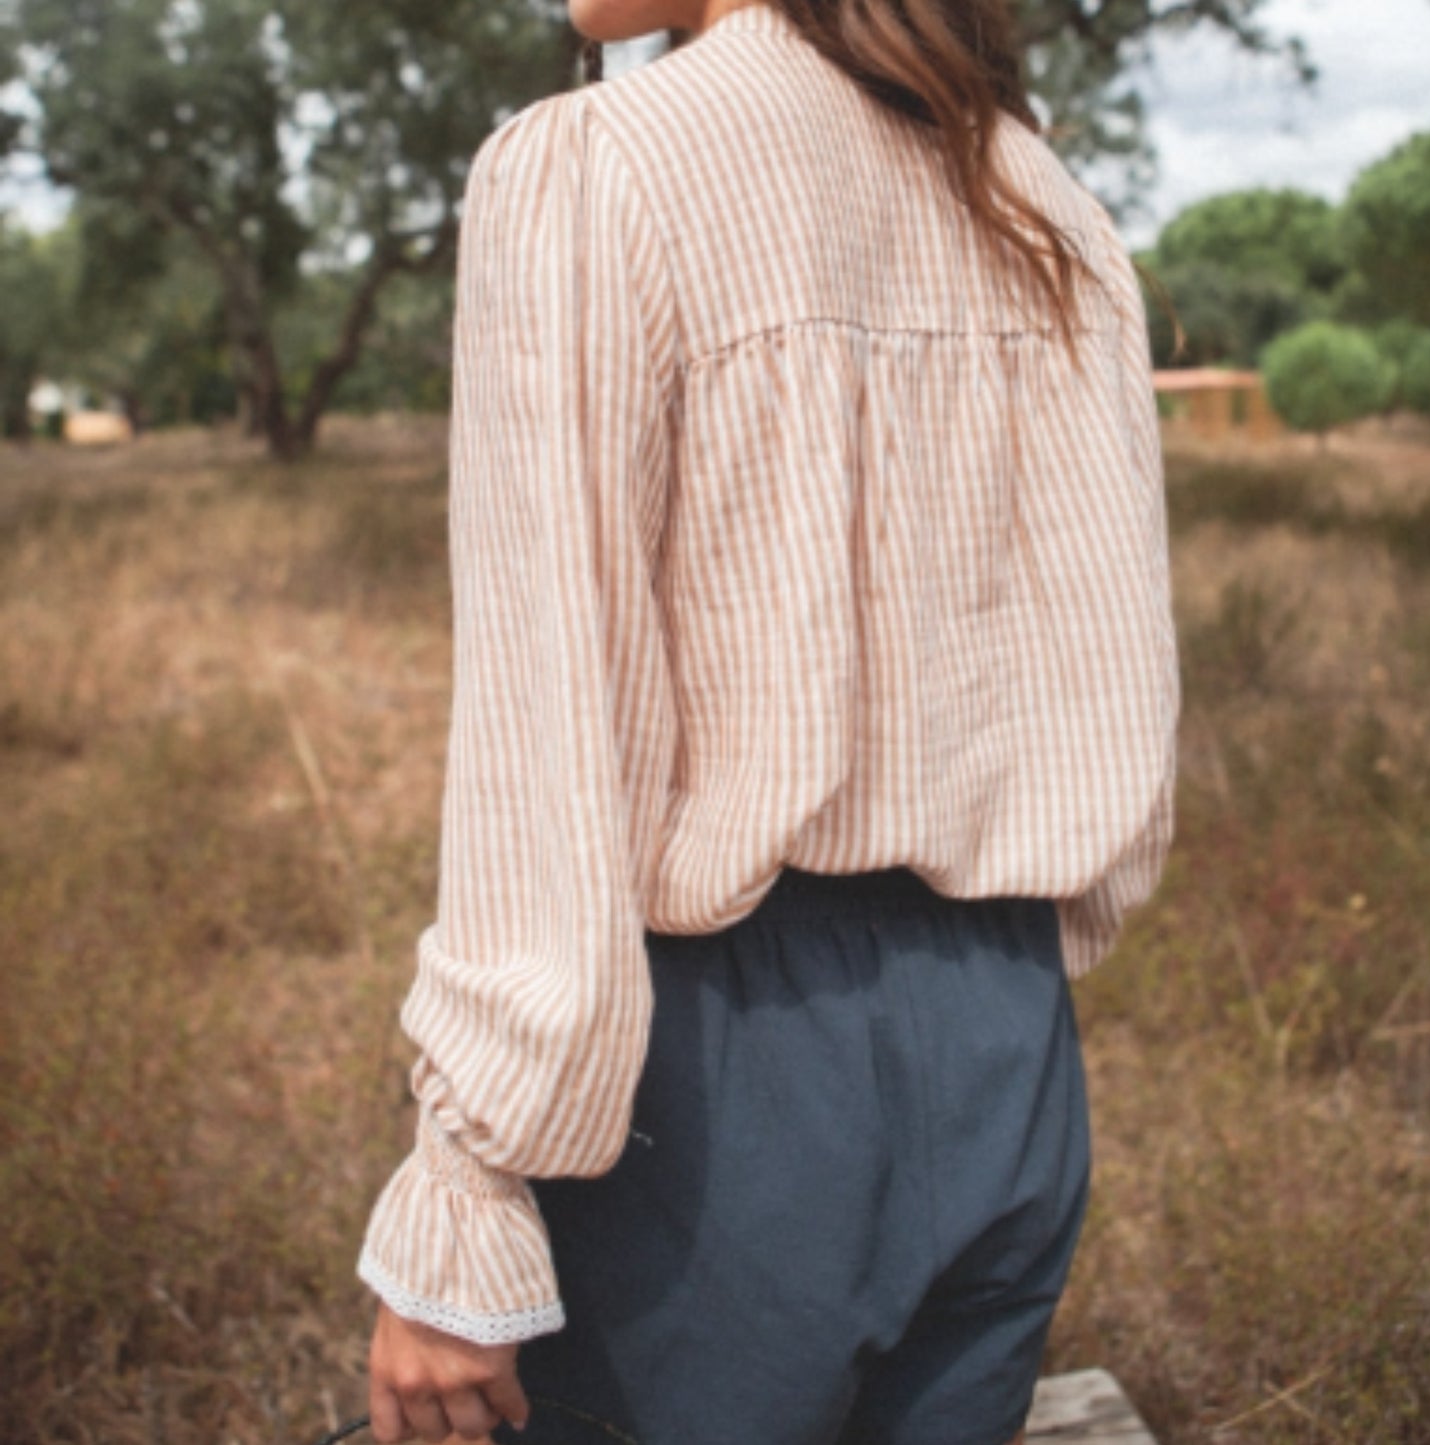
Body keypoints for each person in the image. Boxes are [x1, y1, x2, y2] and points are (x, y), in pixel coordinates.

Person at [357, 0, 1180, 1441]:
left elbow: (548, 722)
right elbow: (1112, 670)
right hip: (1009, 1033)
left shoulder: (596, 164)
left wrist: (465, 1191)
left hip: (720, 1075)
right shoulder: (1044, 199)